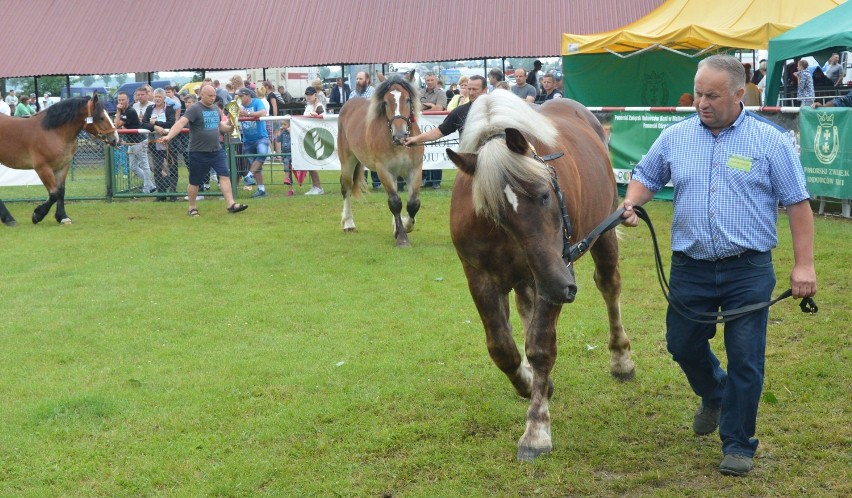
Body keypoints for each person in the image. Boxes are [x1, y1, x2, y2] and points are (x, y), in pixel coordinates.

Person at [620, 54, 816, 477]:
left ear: (738, 94)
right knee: (682, 344)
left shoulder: (770, 141)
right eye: (699, 94)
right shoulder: (676, 137)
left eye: (712, 95)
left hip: (748, 268)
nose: (702, 103)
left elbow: (799, 206)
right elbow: (646, 176)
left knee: (746, 356)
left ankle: (739, 443)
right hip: (690, 266)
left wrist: (804, 267)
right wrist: (632, 202)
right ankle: (714, 391)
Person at [159, 85, 248, 217]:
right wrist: (169, 136)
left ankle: (231, 204)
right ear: (201, 95)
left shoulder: (215, 108)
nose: (213, 98)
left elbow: (220, 126)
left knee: (224, 175)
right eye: (210, 96)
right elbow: (180, 123)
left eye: (214, 96)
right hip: (198, 152)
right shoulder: (194, 109)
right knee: (195, 182)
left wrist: (230, 125)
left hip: (216, 150)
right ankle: (192, 208)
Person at [403, 75, 487, 148]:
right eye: (469, 89)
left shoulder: (495, 108)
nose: (471, 93)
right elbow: (439, 131)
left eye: (475, 89)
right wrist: (416, 139)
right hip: (469, 160)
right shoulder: (459, 112)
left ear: (485, 90)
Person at [114, 91, 156, 194]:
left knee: (145, 166)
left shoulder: (130, 111)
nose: (121, 102)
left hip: (139, 142)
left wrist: (118, 111)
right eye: (119, 100)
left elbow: (116, 125)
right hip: (131, 143)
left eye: (123, 100)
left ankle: (147, 190)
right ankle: (151, 185)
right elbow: (118, 124)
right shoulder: (124, 112)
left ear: (128, 100)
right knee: (133, 167)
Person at [141, 88, 177, 200]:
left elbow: (171, 123)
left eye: (159, 97)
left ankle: (173, 193)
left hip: (169, 143)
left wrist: (156, 123)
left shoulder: (170, 109)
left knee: (173, 167)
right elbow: (144, 124)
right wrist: (155, 127)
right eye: (156, 96)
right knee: (156, 168)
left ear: (164, 98)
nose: (157, 99)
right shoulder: (149, 109)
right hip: (155, 144)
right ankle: (161, 194)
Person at [235, 87, 270, 198]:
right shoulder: (237, 105)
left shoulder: (257, 102)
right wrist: (237, 113)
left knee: (262, 154)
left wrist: (248, 114)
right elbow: (230, 116)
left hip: (260, 137)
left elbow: (263, 112)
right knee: (256, 167)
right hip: (247, 140)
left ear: (248, 95)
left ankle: (249, 175)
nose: (239, 98)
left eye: (241, 96)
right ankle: (261, 189)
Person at [301, 86, 325, 195]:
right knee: (309, 163)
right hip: (308, 137)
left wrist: (318, 116)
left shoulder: (319, 106)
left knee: (311, 163)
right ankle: (316, 186)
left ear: (315, 95)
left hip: (316, 137)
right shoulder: (308, 106)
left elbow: (325, 117)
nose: (309, 96)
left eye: (311, 94)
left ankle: (318, 186)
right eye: (307, 94)